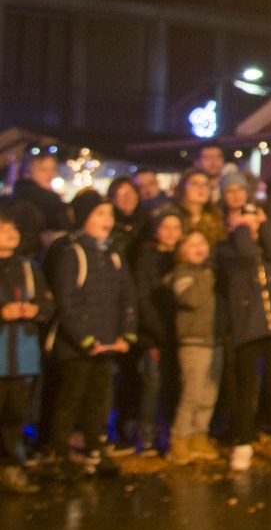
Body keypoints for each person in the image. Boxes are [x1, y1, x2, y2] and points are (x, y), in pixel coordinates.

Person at [47, 191, 137, 478]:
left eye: (109, 214)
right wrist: (84, 339)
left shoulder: (112, 254)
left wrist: (128, 334)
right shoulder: (72, 253)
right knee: (71, 398)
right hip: (79, 345)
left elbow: (127, 296)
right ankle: (59, 452)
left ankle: (93, 450)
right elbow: (67, 300)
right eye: (100, 214)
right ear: (84, 217)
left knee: (99, 399)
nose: (107, 220)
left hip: (107, 341)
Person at [218, 194, 271, 471]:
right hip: (247, 326)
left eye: (252, 221)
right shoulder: (226, 251)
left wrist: (264, 224)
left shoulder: (269, 249)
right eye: (242, 221)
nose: (248, 225)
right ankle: (243, 442)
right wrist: (241, 228)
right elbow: (246, 255)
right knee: (247, 388)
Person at [0, 208, 51, 492]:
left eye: (14, 230)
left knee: (15, 415)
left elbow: (48, 303)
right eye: (4, 229)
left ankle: (11, 470)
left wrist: (35, 309)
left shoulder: (29, 268)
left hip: (23, 355)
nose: (12, 234)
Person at [128, 208, 183, 451]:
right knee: (152, 385)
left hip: (178, 334)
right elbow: (143, 298)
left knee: (172, 385)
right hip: (154, 335)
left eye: (176, 228)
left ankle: (169, 434)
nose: (171, 233)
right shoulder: (146, 258)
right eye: (166, 227)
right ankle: (147, 436)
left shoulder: (182, 259)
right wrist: (158, 331)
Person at [166, 229, 221, 464]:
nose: (199, 247)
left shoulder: (209, 273)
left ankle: (199, 434)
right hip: (194, 341)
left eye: (202, 242)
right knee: (193, 392)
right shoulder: (183, 274)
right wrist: (207, 276)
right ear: (181, 252)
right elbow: (192, 299)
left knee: (209, 393)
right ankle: (179, 437)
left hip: (213, 339)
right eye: (192, 244)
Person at [9, 152, 70, 258]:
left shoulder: (13, 197)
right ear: (28, 173)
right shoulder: (49, 200)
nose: (51, 175)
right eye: (44, 170)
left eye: (53, 169)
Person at [174, 168, 226, 244]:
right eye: (195, 184)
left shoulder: (217, 216)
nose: (202, 188)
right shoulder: (174, 217)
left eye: (206, 185)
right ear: (183, 187)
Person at [107, 176, 149, 260]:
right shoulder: (108, 226)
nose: (128, 197)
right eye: (122, 193)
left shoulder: (147, 222)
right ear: (112, 198)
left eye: (132, 191)